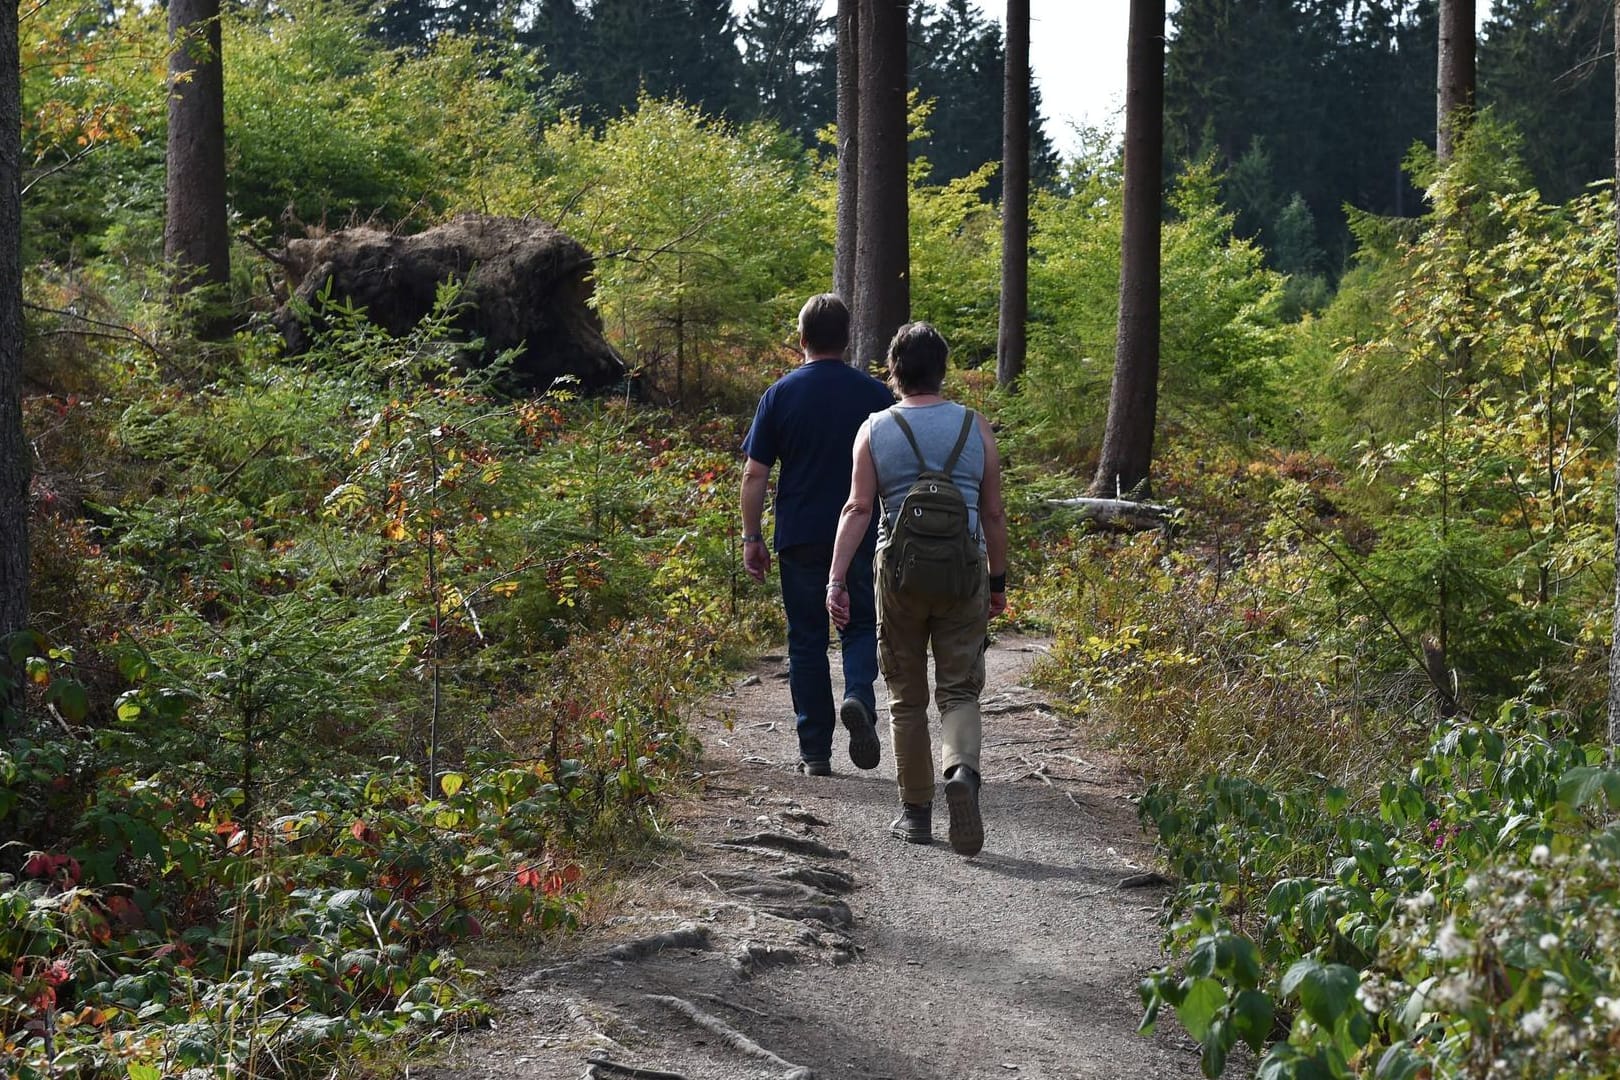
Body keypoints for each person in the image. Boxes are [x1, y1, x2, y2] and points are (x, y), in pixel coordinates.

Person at [825, 322, 1007, 856]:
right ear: (943, 370)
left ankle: (916, 814)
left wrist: (837, 580)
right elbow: (992, 512)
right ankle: (963, 774)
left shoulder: (875, 428)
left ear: (894, 371)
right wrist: (997, 580)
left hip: (898, 578)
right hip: (963, 573)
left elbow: (858, 508)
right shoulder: (977, 427)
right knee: (959, 689)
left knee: (906, 697)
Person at [740, 294, 895, 776]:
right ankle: (858, 696)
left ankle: (815, 752)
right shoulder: (875, 396)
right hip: (862, 531)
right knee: (861, 623)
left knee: (806, 639)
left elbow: (754, 475)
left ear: (801, 339)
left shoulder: (780, 394)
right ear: (847, 340)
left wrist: (751, 536)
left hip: (800, 534)